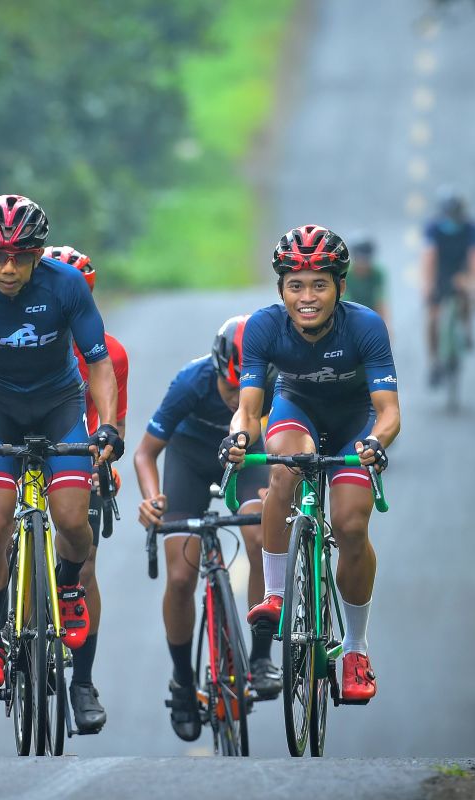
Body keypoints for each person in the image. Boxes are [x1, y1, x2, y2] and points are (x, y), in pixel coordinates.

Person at [0, 195, 123, 698]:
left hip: (60, 404)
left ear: (39, 255)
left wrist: (108, 427)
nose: (9, 268)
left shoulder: (67, 285)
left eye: (21, 256)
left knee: (75, 521)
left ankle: (67, 583)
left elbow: (99, 363)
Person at [221, 224, 400, 704]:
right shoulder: (263, 326)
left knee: (350, 525)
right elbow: (250, 405)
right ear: (280, 288)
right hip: (295, 406)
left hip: (353, 419)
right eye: (295, 285)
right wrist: (240, 435)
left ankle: (356, 650)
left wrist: (376, 443)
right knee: (286, 465)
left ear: (340, 286)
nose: (307, 296)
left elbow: (388, 412)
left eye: (319, 284)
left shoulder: (365, 326)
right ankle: (277, 594)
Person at [133, 315, 281, 742]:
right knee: (180, 577)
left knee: (259, 535)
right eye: (230, 389)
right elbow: (146, 454)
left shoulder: (271, 382)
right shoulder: (191, 382)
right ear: (216, 372)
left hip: (247, 458)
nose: (238, 401)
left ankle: (260, 659)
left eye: (246, 390)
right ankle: (183, 682)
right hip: (190, 461)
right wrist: (152, 497)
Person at [44, 244, 129, 734]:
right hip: (24, 437)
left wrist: (105, 460)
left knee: (87, 560)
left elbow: (111, 418)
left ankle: (83, 682)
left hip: (78, 447)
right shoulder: (17, 336)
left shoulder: (109, 352)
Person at [421, 186, 475, 386]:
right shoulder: (433, 227)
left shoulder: (472, 228)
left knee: (468, 296)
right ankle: (434, 363)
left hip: (461, 272)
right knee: (433, 318)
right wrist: (428, 285)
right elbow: (428, 258)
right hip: (440, 273)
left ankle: (466, 327)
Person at [343, 233, 390, 329]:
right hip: (350, 313)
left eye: (366, 260)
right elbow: (344, 301)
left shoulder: (377, 273)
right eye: (360, 260)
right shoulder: (345, 273)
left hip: (370, 313)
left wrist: (385, 325)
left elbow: (380, 299)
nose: (363, 265)